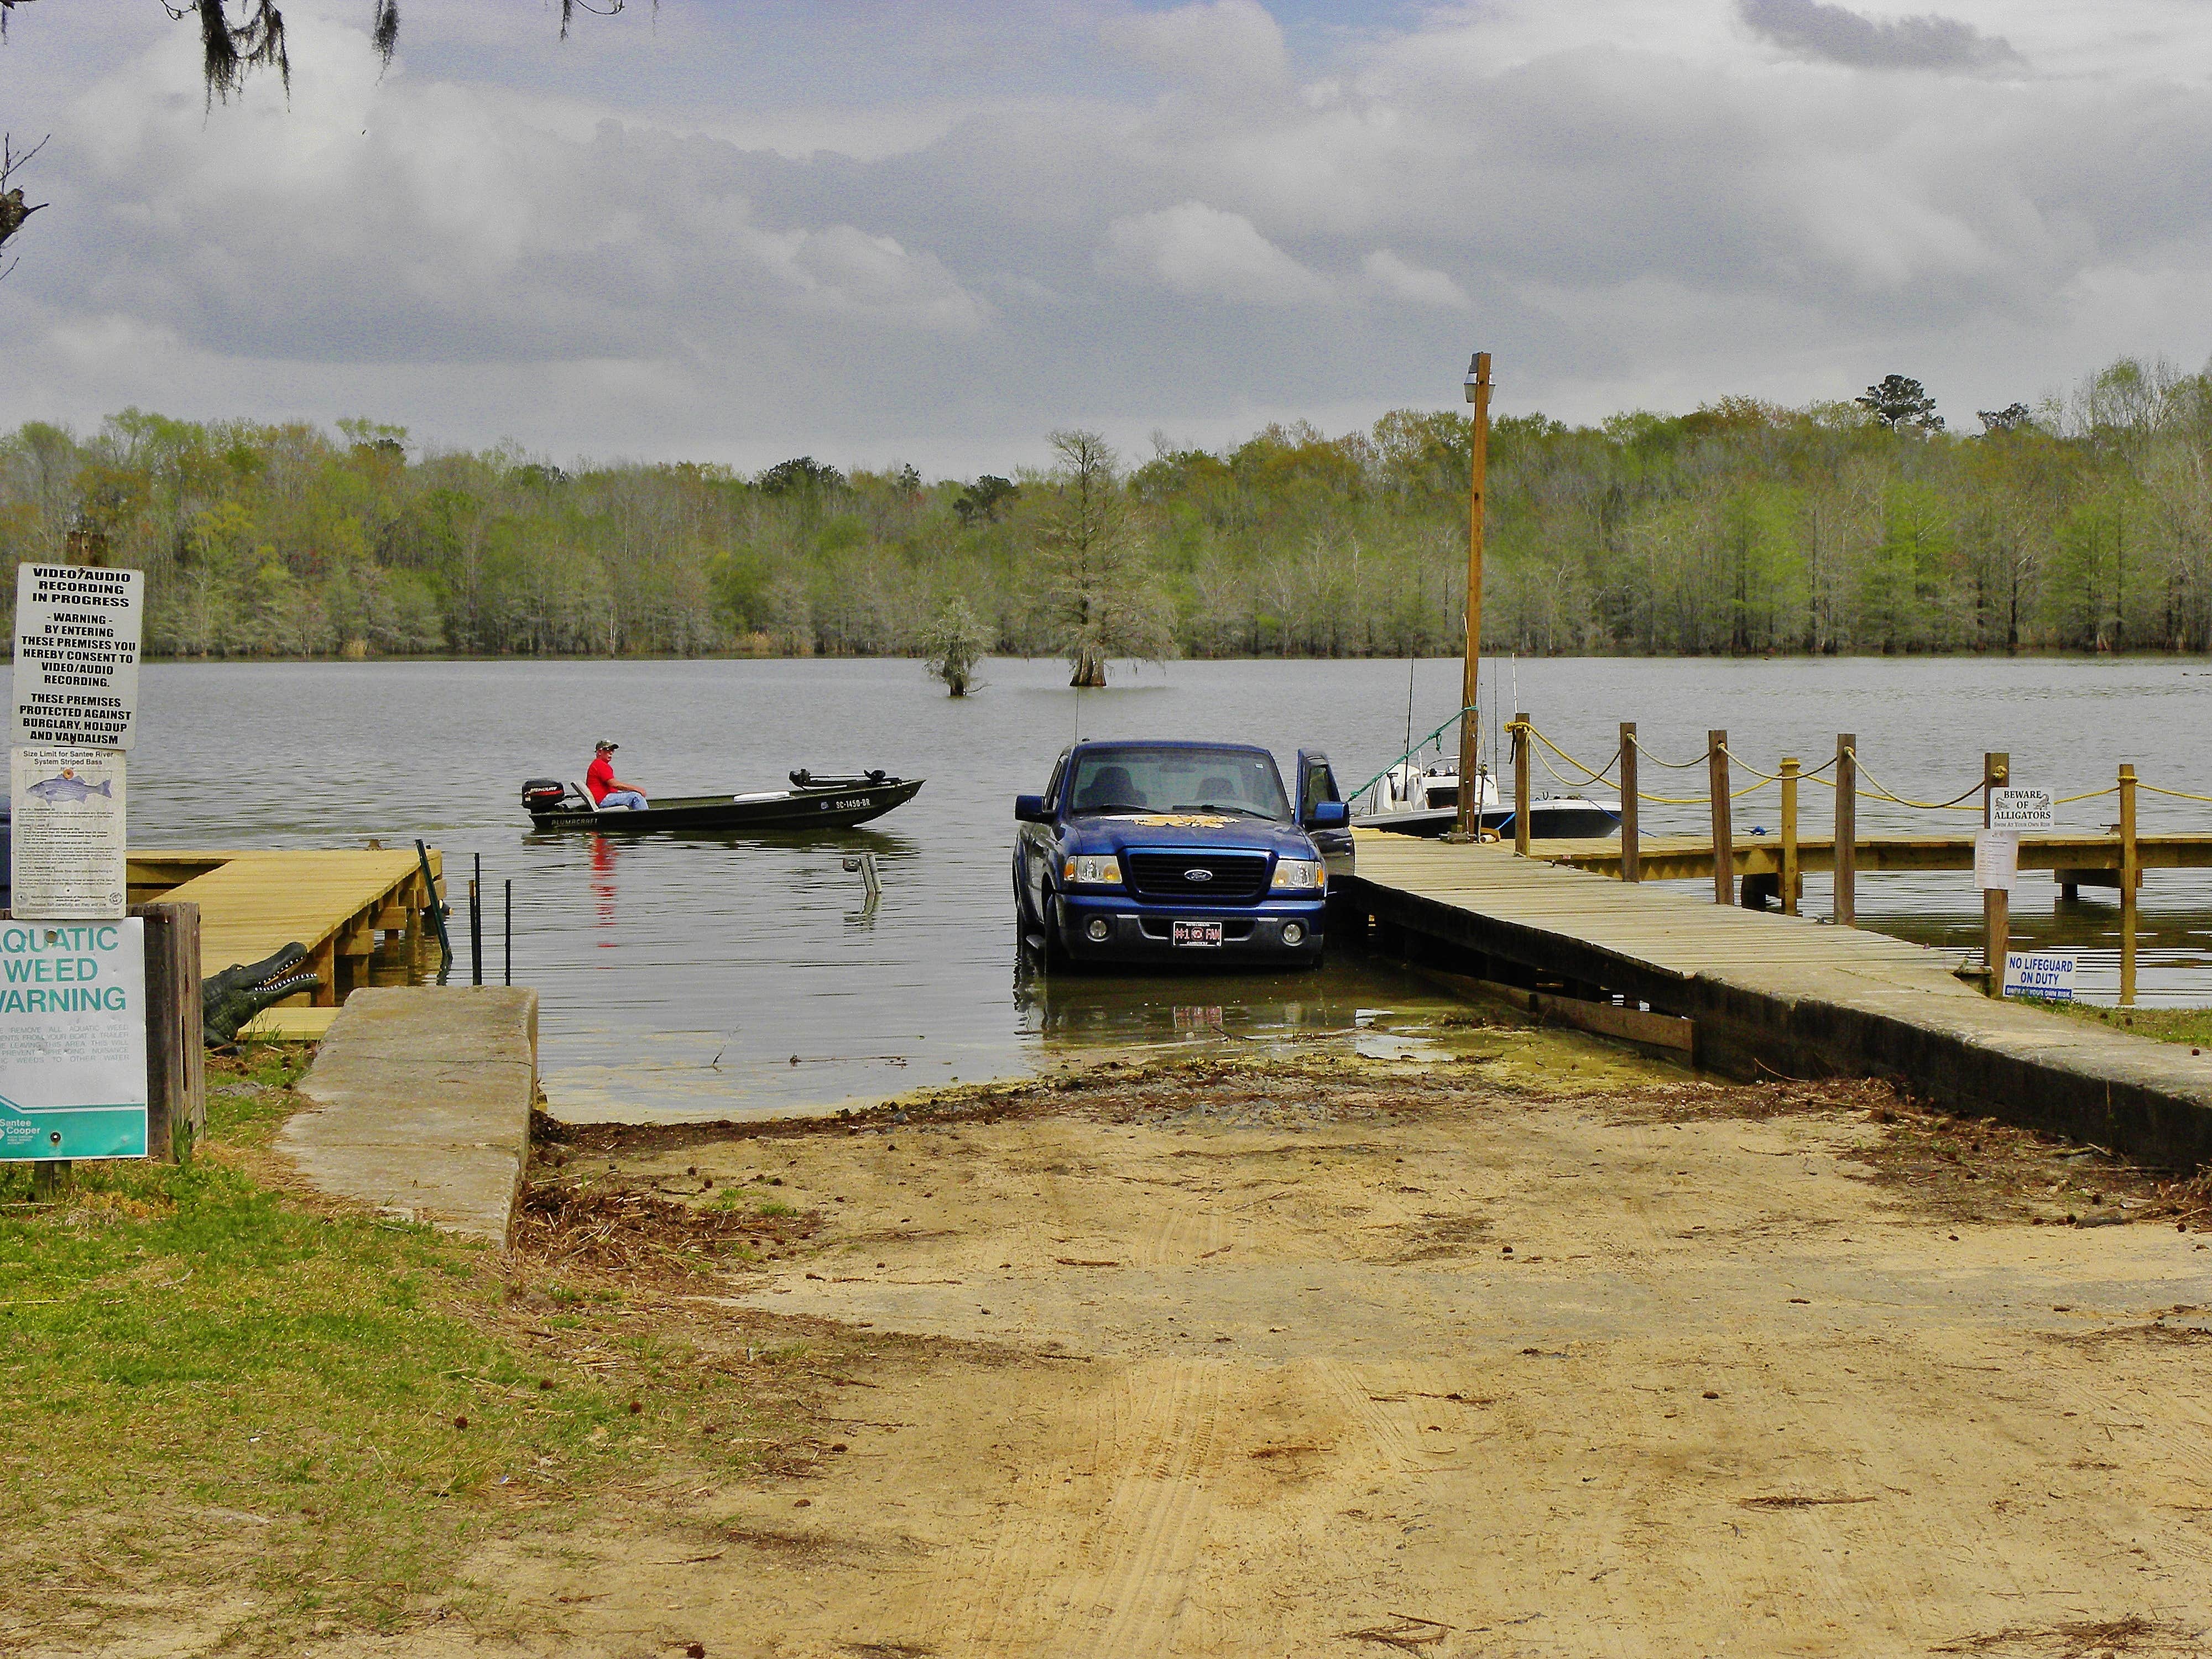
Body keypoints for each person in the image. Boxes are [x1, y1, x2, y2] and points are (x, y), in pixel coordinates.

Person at [586, 740, 648, 810]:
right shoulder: (600, 765)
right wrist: (637, 789)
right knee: (636, 796)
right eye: (608, 750)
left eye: (612, 750)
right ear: (599, 752)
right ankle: (646, 818)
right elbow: (615, 785)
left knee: (632, 794)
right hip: (603, 799)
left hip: (604, 797)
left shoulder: (599, 764)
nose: (611, 753)